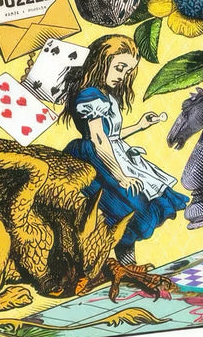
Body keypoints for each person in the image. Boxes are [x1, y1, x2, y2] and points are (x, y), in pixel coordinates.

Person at [60, 35, 187, 265]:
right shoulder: (89, 95)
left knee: (134, 209)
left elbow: (112, 136)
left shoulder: (106, 95)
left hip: (112, 152)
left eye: (127, 71)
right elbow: (99, 138)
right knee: (130, 208)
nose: (122, 76)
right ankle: (117, 264)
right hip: (95, 158)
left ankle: (128, 265)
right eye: (119, 68)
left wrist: (140, 125)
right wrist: (120, 176)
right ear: (101, 62)